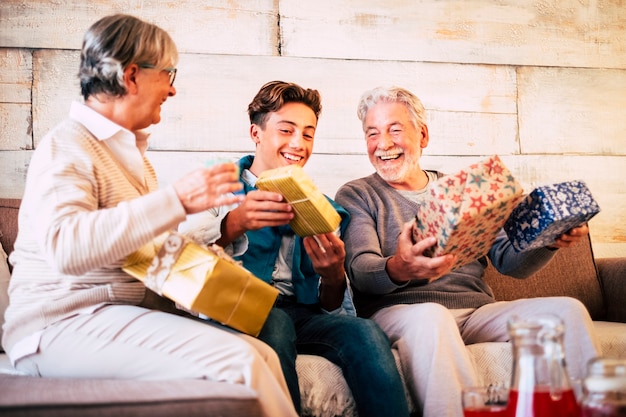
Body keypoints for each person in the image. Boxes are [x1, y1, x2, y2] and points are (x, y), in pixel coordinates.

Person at [1, 14, 297, 417]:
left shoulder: (134, 160)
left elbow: (142, 256)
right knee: (240, 365)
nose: (173, 88)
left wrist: (209, 268)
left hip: (110, 317)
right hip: (56, 326)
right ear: (132, 76)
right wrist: (176, 200)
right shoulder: (67, 145)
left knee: (260, 355)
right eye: (169, 73)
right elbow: (65, 248)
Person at [334, 86, 602, 417]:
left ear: (423, 135)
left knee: (567, 312)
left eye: (395, 130)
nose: (383, 144)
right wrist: (402, 267)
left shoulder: (463, 190)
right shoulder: (358, 194)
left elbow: (509, 261)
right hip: (401, 313)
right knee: (432, 317)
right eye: (372, 133)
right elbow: (361, 271)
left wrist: (547, 240)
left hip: (475, 312)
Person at [179, 80, 410, 417]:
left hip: (300, 313)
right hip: (232, 306)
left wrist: (332, 277)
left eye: (308, 133)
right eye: (286, 130)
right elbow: (180, 261)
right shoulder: (215, 185)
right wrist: (233, 223)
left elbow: (332, 307)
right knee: (275, 324)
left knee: (364, 332)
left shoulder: (326, 209)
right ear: (256, 134)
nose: (297, 144)